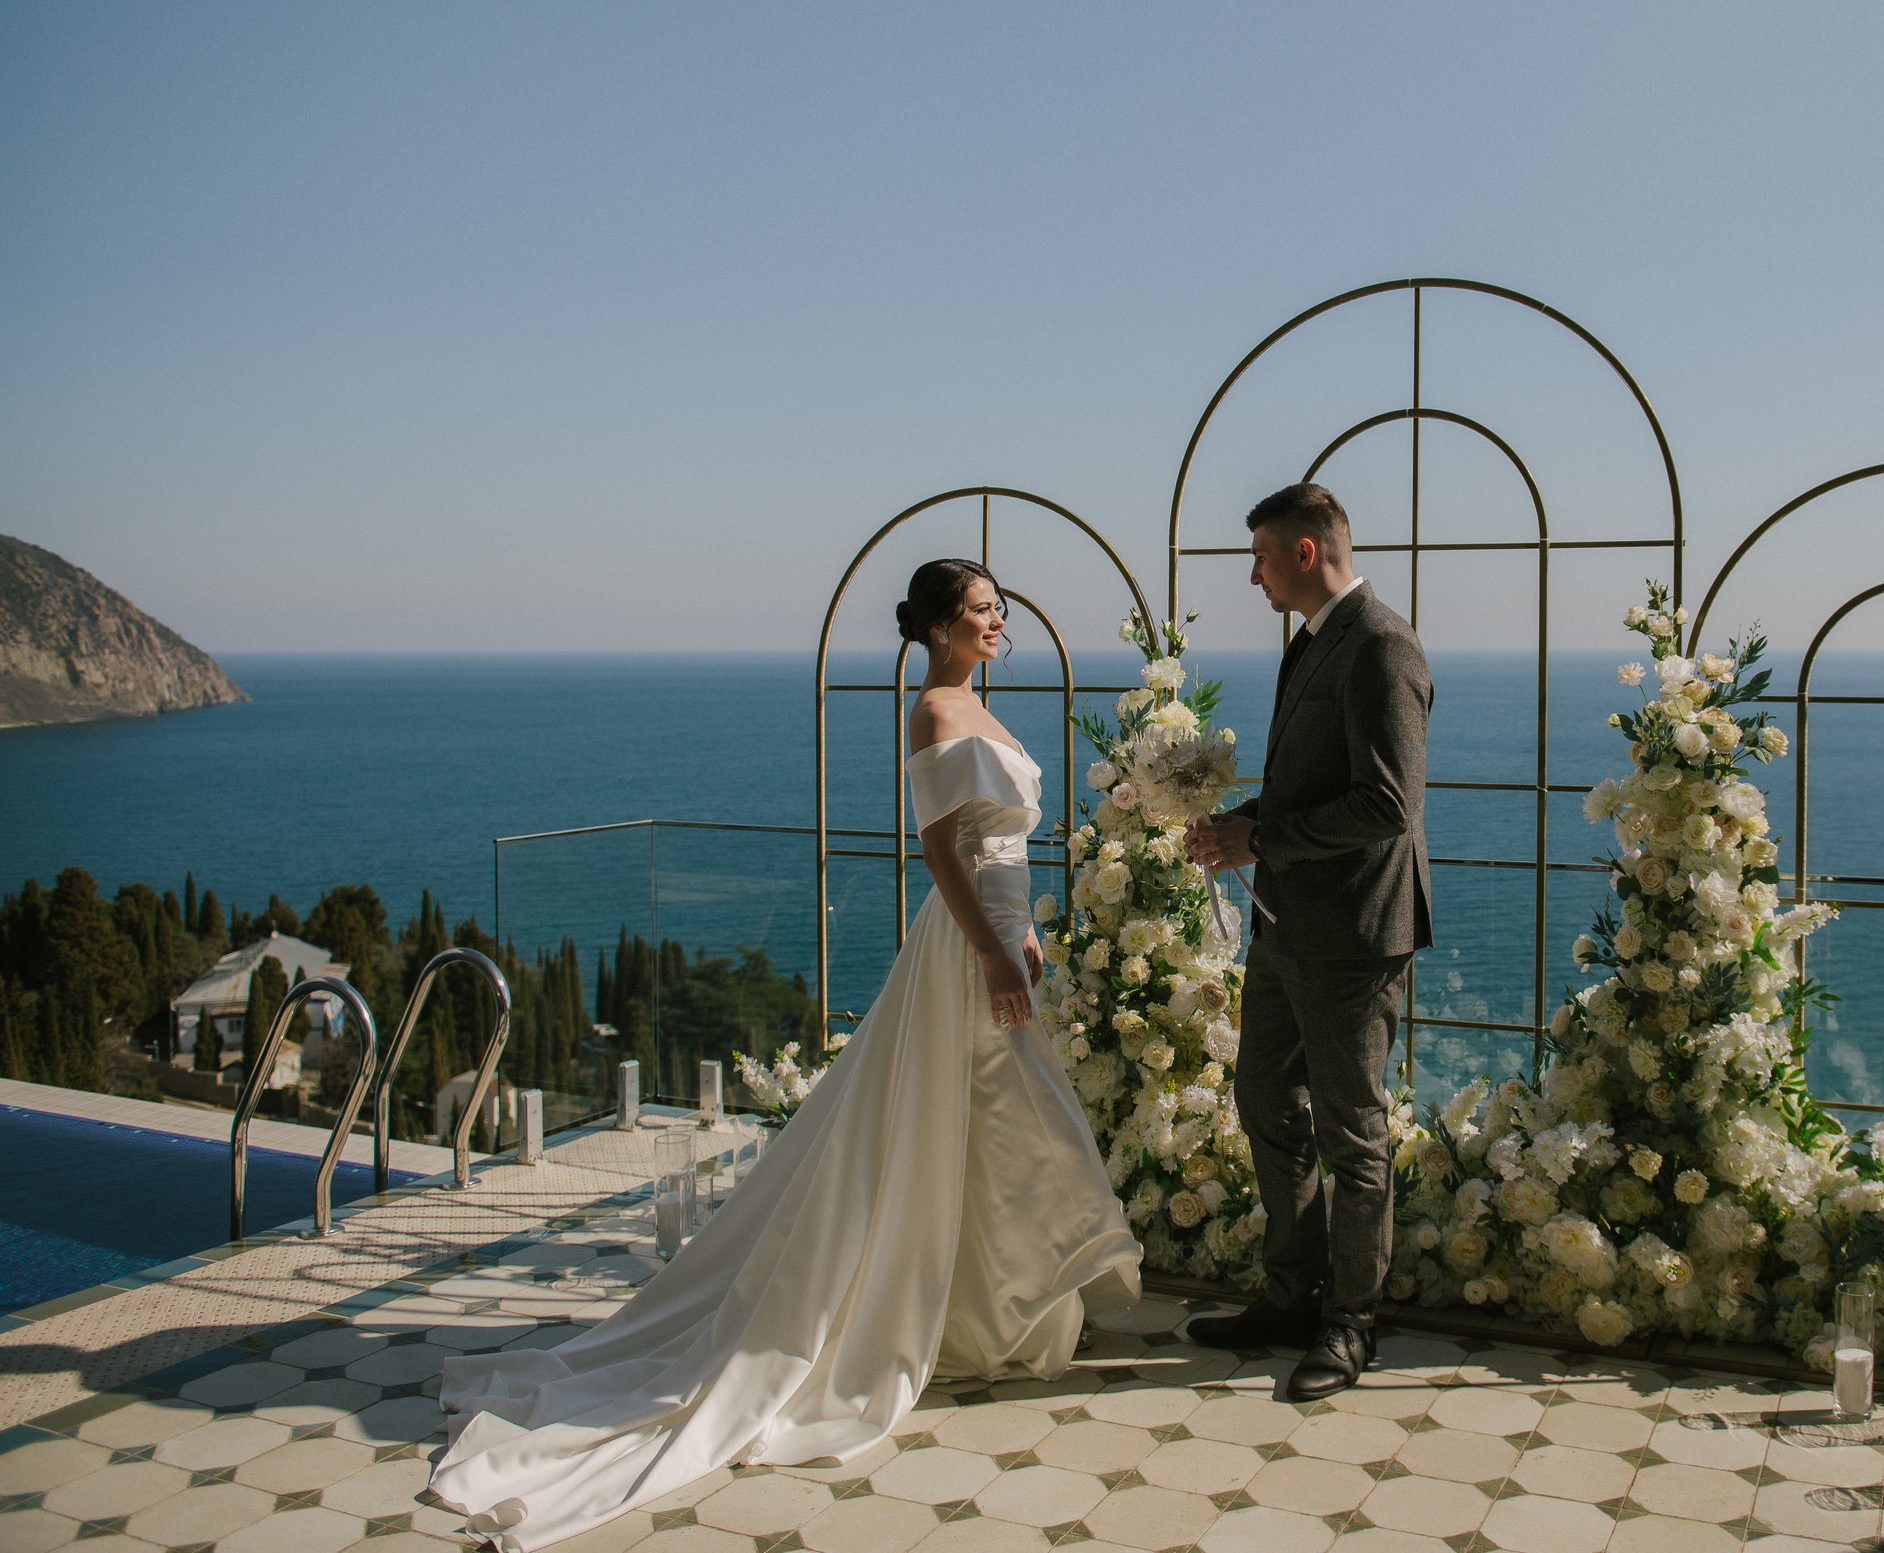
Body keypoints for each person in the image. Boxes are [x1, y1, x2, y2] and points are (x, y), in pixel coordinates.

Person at [430, 560, 1139, 1553]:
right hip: (966, 944)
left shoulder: (973, 705)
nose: (997, 623)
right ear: (939, 623)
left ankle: (990, 1311)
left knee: (997, 1128)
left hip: (1003, 929)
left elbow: (999, 838)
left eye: (997, 610)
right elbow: (939, 849)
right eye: (981, 610)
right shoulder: (933, 710)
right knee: (1011, 1116)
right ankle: (994, 1304)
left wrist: (1020, 934)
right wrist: (990, 946)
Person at [1185, 482, 1432, 1400]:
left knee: (1353, 1133)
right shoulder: (1313, 642)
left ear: (1302, 552)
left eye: (1258, 557)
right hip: (1285, 925)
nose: (1251, 576)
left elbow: (1386, 804)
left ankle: (1350, 1323)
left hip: (1355, 937)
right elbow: (1306, 790)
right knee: (1263, 1102)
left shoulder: (1381, 644)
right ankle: (1291, 1294)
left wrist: (1264, 839)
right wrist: (1236, 825)